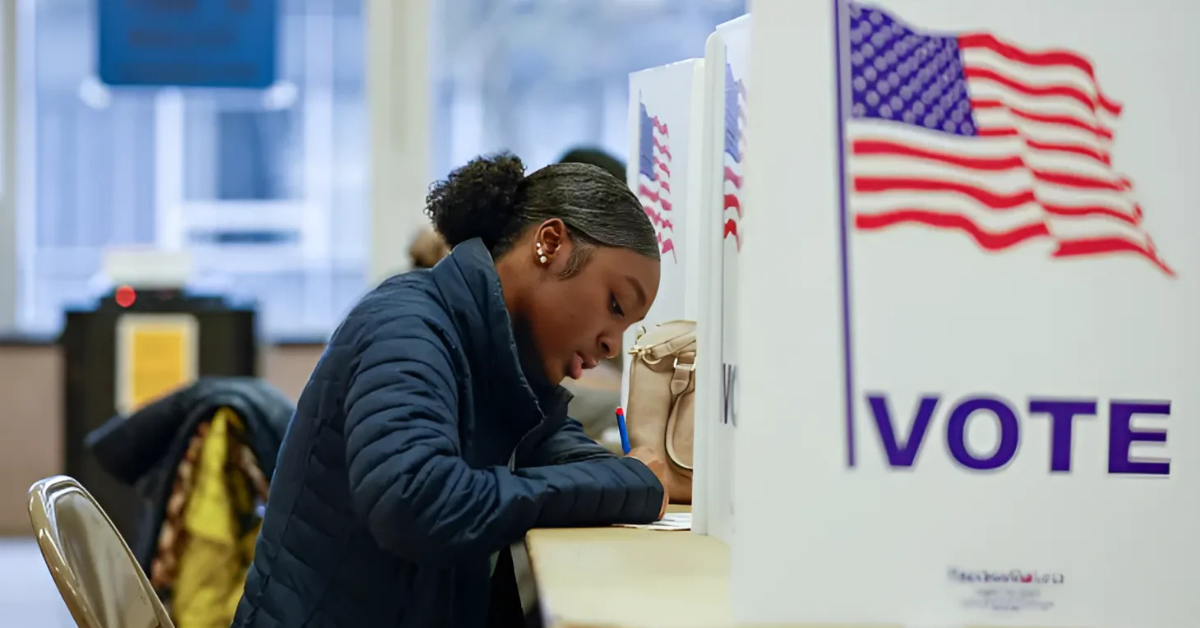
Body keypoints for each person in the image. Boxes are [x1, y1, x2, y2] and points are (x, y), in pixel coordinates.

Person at [231, 153, 669, 628]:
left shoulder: (499, 356)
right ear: (550, 243)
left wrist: (637, 478)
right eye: (614, 304)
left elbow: (564, 451)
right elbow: (416, 501)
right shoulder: (408, 326)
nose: (611, 343)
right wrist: (635, 482)